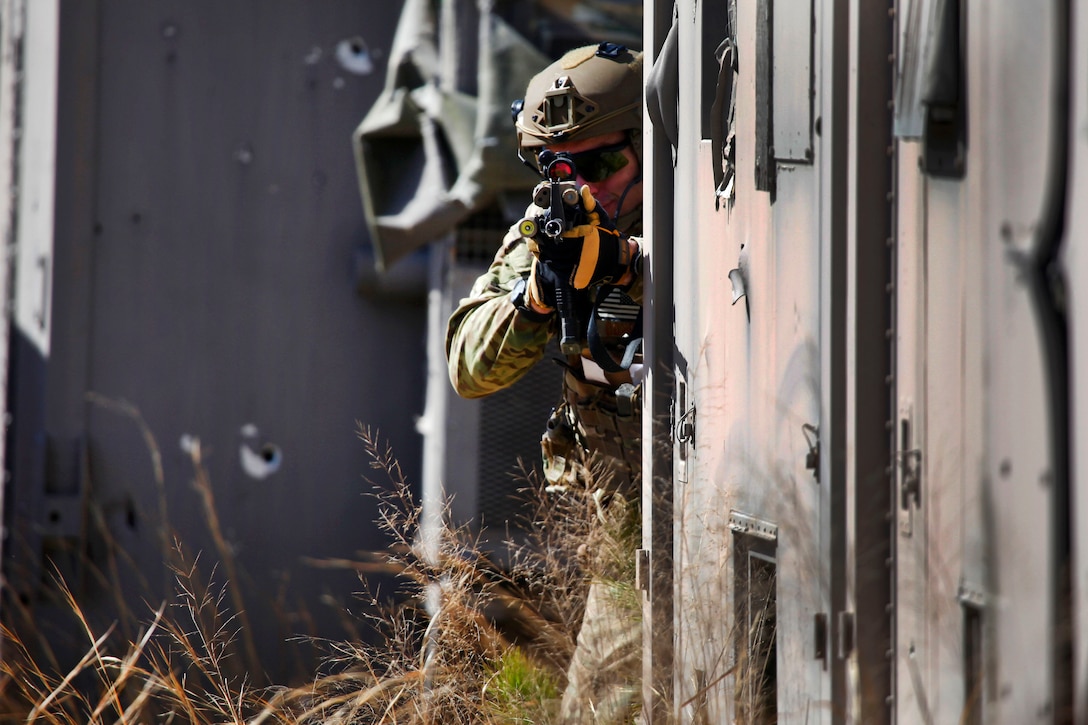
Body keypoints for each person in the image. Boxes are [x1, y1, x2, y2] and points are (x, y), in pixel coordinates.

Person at [445, 41, 645, 723]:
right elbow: (468, 366)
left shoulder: (697, 216)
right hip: (627, 539)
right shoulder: (549, 229)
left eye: (604, 163)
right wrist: (536, 296)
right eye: (559, 166)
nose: (586, 186)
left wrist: (625, 261)